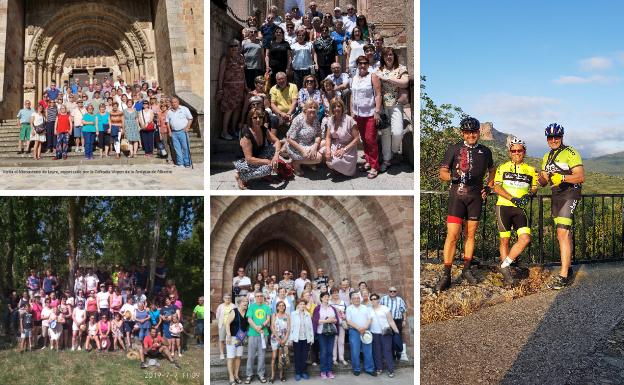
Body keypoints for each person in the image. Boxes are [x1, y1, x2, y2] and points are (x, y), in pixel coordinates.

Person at [436, 116, 495, 292]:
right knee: (452, 235)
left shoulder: (486, 151)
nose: (471, 135)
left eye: (474, 131)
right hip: (457, 198)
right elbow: (442, 172)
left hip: (475, 198)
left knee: (470, 235)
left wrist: (489, 186)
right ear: (463, 133)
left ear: (479, 132)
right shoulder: (454, 149)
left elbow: (492, 170)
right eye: (468, 132)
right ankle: (446, 274)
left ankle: (467, 269)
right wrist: (454, 177)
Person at [538, 123, 584, 290]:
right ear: (547, 139)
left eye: (557, 136)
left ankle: (563, 275)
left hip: (570, 194)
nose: (554, 140)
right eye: (550, 137)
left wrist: (563, 178)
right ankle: (569, 267)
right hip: (556, 195)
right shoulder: (546, 156)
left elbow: (580, 176)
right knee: (565, 234)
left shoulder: (570, 152)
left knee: (561, 233)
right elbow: (544, 180)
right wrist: (538, 179)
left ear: (562, 137)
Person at [492, 137, 539, 288]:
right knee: (504, 241)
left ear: (524, 152)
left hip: (520, 209)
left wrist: (530, 194)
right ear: (509, 152)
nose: (517, 153)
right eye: (514, 150)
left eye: (520, 150)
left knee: (525, 238)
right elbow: (496, 188)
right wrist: (513, 199)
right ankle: (507, 276)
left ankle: (504, 265)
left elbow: (534, 187)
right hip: (504, 207)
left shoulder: (531, 170)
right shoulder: (503, 167)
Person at [377, 47, 409, 172]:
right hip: (383, 106)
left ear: (394, 56)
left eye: (390, 55)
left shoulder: (401, 68)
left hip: (396, 104)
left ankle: (394, 151)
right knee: (385, 133)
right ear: (383, 58)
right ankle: (386, 159)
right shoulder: (379, 70)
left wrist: (387, 79)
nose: (388, 57)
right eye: (386, 55)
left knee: (397, 132)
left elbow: (405, 83)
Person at [233, 108, 282, 189]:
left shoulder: (263, 129)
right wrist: (268, 161)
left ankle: (264, 176)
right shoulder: (246, 134)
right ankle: (241, 176)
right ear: (250, 119)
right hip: (243, 161)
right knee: (268, 168)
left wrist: (276, 156)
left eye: (261, 117)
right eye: (255, 118)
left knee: (272, 149)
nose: (258, 120)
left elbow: (277, 141)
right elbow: (249, 159)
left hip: (256, 156)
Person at [351, 55, 383, 179]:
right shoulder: (354, 78)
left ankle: (375, 166)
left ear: (368, 65)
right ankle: (368, 161)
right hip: (358, 114)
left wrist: (377, 111)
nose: (362, 65)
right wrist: (352, 111)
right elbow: (352, 96)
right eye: (360, 63)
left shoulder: (372, 76)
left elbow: (378, 94)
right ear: (357, 65)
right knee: (364, 139)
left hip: (370, 113)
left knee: (370, 140)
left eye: (365, 63)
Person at [217, 39, 246, 140]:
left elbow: (243, 73)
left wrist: (245, 85)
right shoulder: (226, 59)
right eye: (231, 46)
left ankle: (233, 130)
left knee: (237, 109)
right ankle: (224, 132)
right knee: (229, 109)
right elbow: (221, 75)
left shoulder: (242, 58)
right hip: (229, 88)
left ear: (239, 47)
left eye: (236, 46)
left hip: (240, 88)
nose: (234, 48)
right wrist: (220, 89)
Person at [323, 97, 358, 176]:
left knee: (334, 162)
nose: (337, 109)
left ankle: (345, 170)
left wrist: (344, 149)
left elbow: (356, 138)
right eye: (334, 107)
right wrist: (328, 149)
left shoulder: (349, 120)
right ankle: (338, 169)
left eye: (339, 106)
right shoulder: (330, 120)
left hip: (348, 149)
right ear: (331, 109)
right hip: (335, 145)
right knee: (324, 152)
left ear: (342, 107)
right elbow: (328, 137)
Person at [286, 100, 323, 176]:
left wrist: (315, 146)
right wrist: (302, 150)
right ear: (305, 109)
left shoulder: (315, 118)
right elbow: (289, 138)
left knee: (324, 143)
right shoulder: (299, 119)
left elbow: (319, 134)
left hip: (309, 143)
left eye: (315, 108)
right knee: (319, 158)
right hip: (297, 146)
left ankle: (307, 162)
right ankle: (296, 162)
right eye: (310, 107)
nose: (313, 109)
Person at [369, 293, 399, 377]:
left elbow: (391, 321)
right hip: (374, 333)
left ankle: (391, 370)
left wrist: (396, 330)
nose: (373, 300)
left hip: (385, 333)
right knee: (377, 351)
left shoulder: (385, 308)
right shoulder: (369, 310)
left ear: (378, 299)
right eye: (371, 299)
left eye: (375, 298)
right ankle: (379, 368)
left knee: (387, 351)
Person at [245, 291, 271, 384]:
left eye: (261, 296)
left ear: (263, 297)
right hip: (252, 334)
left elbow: (268, 318)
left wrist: (262, 326)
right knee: (251, 355)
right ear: (255, 298)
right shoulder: (251, 307)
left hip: (264, 334)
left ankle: (261, 374)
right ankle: (249, 374)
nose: (259, 297)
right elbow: (249, 319)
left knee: (262, 355)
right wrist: (256, 327)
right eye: (258, 296)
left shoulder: (267, 307)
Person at [346, 292, 375, 376]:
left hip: (365, 331)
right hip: (354, 331)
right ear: (351, 300)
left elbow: (370, 319)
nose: (356, 300)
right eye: (354, 298)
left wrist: (364, 328)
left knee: (368, 351)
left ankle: (369, 369)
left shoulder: (365, 308)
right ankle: (356, 369)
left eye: (358, 298)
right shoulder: (349, 308)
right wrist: (359, 328)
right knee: (355, 351)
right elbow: (349, 321)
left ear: (360, 299)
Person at [312, 292, 339, 379]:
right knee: (323, 352)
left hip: (331, 332)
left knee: (330, 352)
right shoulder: (318, 308)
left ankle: (329, 370)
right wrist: (327, 321)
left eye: (328, 296)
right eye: (325, 297)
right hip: (321, 333)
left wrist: (334, 320)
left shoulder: (333, 308)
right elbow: (316, 321)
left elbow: (337, 320)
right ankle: (323, 371)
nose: (327, 298)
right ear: (321, 298)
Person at [379, 286, 408, 360]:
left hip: (397, 320)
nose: (392, 293)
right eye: (391, 291)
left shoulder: (400, 300)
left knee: (398, 337)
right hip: (387, 321)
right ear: (388, 292)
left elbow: (404, 310)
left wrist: (404, 320)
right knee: (388, 338)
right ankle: (391, 355)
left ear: (396, 292)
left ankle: (398, 352)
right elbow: (380, 309)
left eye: (394, 291)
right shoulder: (383, 299)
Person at [289, 298, 314, 381]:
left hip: (306, 338)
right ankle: (298, 373)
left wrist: (311, 338)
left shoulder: (308, 314)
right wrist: (291, 339)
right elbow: (291, 327)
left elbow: (310, 327)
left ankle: (304, 372)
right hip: (297, 339)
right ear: (298, 305)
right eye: (300, 304)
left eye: (303, 304)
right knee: (297, 356)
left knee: (304, 356)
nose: (302, 305)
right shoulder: (293, 314)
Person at [166, 97, 193, 168]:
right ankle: (180, 163)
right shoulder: (169, 111)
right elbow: (167, 122)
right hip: (174, 132)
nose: (174, 104)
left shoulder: (184, 109)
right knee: (177, 148)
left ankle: (187, 163)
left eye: (175, 102)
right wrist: (169, 131)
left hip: (183, 131)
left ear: (178, 102)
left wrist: (187, 127)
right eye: (172, 102)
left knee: (185, 148)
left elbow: (190, 118)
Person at [269, 301, 291, 382]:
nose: (281, 307)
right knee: (274, 357)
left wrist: (285, 339)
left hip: (284, 338)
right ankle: (272, 375)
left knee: (282, 357)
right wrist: (278, 338)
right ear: (277, 307)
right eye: (280, 305)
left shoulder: (287, 315)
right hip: (275, 338)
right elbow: (272, 327)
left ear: (285, 307)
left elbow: (289, 328)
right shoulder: (274, 315)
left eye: (283, 305)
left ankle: (281, 375)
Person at [328, 288, 348, 366]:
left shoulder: (343, 302)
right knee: (334, 342)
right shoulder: (329, 303)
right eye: (334, 293)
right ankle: (334, 359)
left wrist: (344, 315)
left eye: (337, 293)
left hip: (341, 324)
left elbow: (346, 312)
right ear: (331, 295)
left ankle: (342, 358)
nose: (336, 294)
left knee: (342, 342)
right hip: (333, 325)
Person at [217, 294, 236, 360]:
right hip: (222, 324)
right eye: (226, 298)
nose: (227, 299)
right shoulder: (220, 306)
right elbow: (218, 316)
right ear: (223, 299)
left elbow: (235, 315)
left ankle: (229, 352)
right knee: (221, 339)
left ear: (230, 299)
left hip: (231, 325)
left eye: (229, 298)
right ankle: (221, 353)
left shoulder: (233, 306)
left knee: (230, 339)